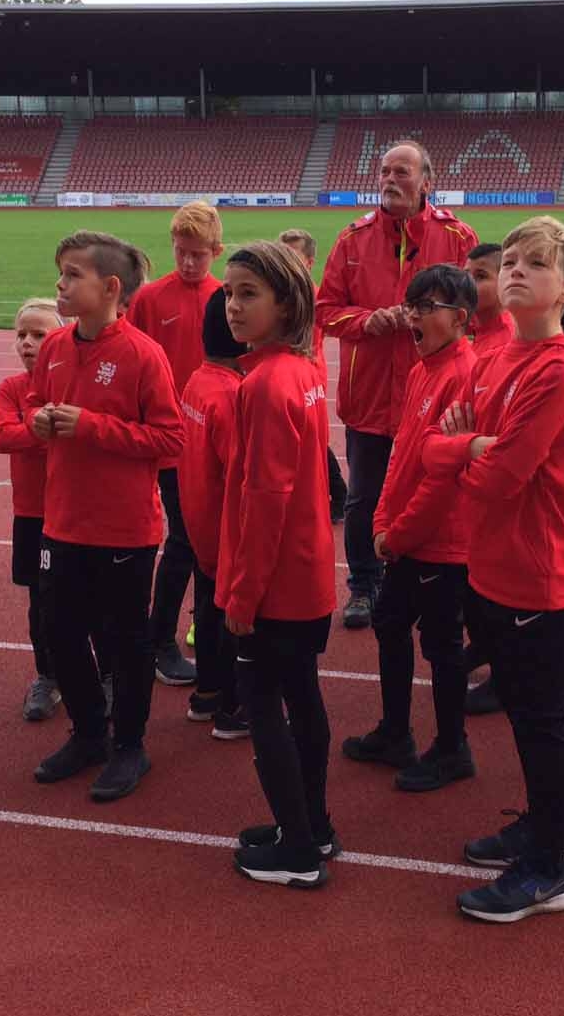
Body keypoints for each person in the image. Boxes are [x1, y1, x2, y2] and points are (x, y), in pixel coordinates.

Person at [425, 216, 564, 923]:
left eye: (536, 264)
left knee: (539, 723)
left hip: (534, 569)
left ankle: (550, 869)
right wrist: (466, 447)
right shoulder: (495, 357)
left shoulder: (559, 368)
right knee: (523, 718)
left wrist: (463, 450)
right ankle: (547, 827)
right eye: (512, 260)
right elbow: (439, 441)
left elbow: (500, 476)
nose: (516, 270)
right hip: (490, 563)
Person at [28, 232, 184, 801]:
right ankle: (89, 732)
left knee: (125, 640)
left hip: (123, 530)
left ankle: (130, 745)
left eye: (73, 274)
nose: (60, 284)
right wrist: (38, 420)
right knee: (61, 632)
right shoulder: (55, 346)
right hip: (62, 522)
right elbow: (34, 403)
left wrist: (91, 426)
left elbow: (170, 439)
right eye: (61, 272)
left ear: (111, 287)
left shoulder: (143, 354)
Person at [218, 241, 340, 889]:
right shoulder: (300, 368)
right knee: (303, 696)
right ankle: (312, 825)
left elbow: (265, 498)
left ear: (286, 304)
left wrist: (242, 596)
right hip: (307, 572)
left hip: (277, 583)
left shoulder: (265, 384)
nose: (233, 306)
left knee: (263, 706)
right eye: (229, 293)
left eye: (249, 294)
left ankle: (297, 849)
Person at [316, 141, 476, 630]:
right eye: (384, 171)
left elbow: (476, 314)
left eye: (401, 172)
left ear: (427, 181)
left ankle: (427, 582)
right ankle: (363, 585)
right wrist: (367, 321)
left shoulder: (457, 237)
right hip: (369, 396)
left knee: (433, 491)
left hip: (434, 395)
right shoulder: (352, 240)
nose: (390, 180)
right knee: (363, 497)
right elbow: (324, 311)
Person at [343, 265, 480, 791]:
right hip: (406, 535)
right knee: (390, 623)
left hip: (440, 543)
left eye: (426, 307)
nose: (413, 317)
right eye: (411, 306)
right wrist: (384, 521)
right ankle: (396, 732)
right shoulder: (424, 368)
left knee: (442, 645)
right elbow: (403, 454)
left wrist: (395, 533)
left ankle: (452, 749)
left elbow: (444, 479)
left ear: (460, 319)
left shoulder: (463, 375)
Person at [126, 201, 224, 688]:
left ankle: (203, 632)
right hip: (167, 442)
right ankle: (159, 639)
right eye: (181, 251)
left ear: (216, 251)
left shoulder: (226, 297)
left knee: (210, 542)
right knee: (183, 541)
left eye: (197, 254)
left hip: (213, 441)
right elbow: (131, 360)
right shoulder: (149, 299)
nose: (187, 262)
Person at [176, 288, 251, 739]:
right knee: (232, 615)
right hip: (225, 528)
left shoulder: (197, 381)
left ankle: (206, 693)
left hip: (200, 521)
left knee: (206, 606)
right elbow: (242, 476)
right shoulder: (232, 395)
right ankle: (234, 706)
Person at [0, 297, 66, 721]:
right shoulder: (11, 388)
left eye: (39, 334)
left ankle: (105, 674)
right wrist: (44, 431)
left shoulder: (71, 385)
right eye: (21, 334)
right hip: (31, 513)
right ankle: (48, 676)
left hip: (73, 512)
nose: (27, 342)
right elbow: (3, 437)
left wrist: (36, 432)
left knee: (85, 600)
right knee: (40, 602)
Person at [461, 241, 515, 717]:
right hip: (470, 470)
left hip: (488, 477)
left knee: (493, 580)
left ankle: (505, 673)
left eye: (480, 276)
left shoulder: (504, 342)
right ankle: (486, 646)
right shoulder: (478, 333)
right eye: (468, 273)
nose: (469, 283)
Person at [280, 227, 348, 523]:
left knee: (311, 439)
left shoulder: (309, 297)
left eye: (292, 256)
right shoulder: (289, 292)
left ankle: (336, 494)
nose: (285, 262)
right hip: (299, 372)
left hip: (307, 373)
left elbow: (305, 343)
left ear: (308, 262)